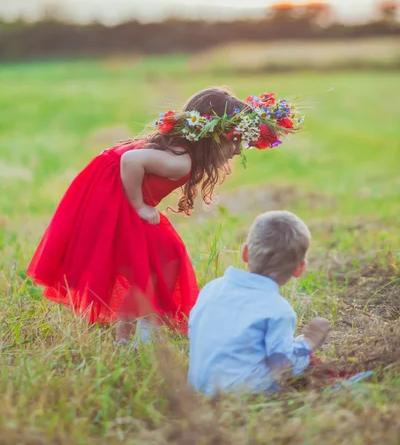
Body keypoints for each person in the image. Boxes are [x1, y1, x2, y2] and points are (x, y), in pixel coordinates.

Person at [27, 88, 304, 343]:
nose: (237, 150)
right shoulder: (180, 161)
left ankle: (128, 334)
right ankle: (145, 332)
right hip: (113, 199)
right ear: (212, 138)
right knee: (166, 255)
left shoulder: (178, 150)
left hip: (110, 193)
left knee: (143, 262)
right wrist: (140, 206)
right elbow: (129, 161)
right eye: (235, 142)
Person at [188, 211, 330, 394]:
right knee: (304, 364)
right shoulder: (278, 310)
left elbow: (193, 332)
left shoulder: (211, 288)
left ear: (245, 253)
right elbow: (283, 365)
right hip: (243, 393)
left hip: (196, 387)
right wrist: (308, 343)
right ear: (299, 269)